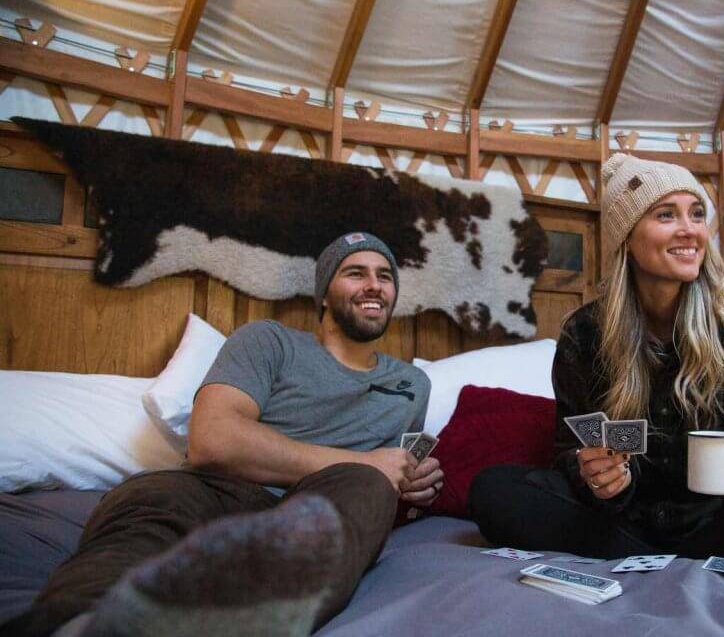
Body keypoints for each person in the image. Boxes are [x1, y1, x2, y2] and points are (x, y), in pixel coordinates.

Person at [2, 232, 441, 637]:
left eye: (384, 276)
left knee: (367, 489)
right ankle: (81, 621)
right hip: (214, 490)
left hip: (322, 504)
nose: (374, 285)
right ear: (324, 293)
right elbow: (213, 440)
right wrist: (366, 462)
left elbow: (392, 471)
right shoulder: (268, 342)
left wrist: (414, 484)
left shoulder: (413, 385)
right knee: (151, 507)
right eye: (355, 273)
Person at [469, 154, 724, 563]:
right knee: (494, 491)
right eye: (666, 215)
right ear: (627, 237)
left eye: (696, 214)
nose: (690, 230)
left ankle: (652, 559)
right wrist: (594, 475)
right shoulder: (585, 334)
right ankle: (669, 558)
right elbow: (571, 446)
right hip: (623, 518)